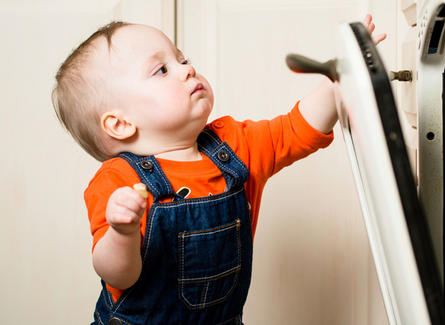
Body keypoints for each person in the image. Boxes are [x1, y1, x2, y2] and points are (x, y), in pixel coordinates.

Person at [52, 14, 385, 325]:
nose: (187, 70)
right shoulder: (119, 182)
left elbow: (296, 129)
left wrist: (340, 82)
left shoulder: (234, 146)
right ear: (120, 123)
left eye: (182, 59)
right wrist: (121, 233)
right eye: (162, 70)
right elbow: (117, 275)